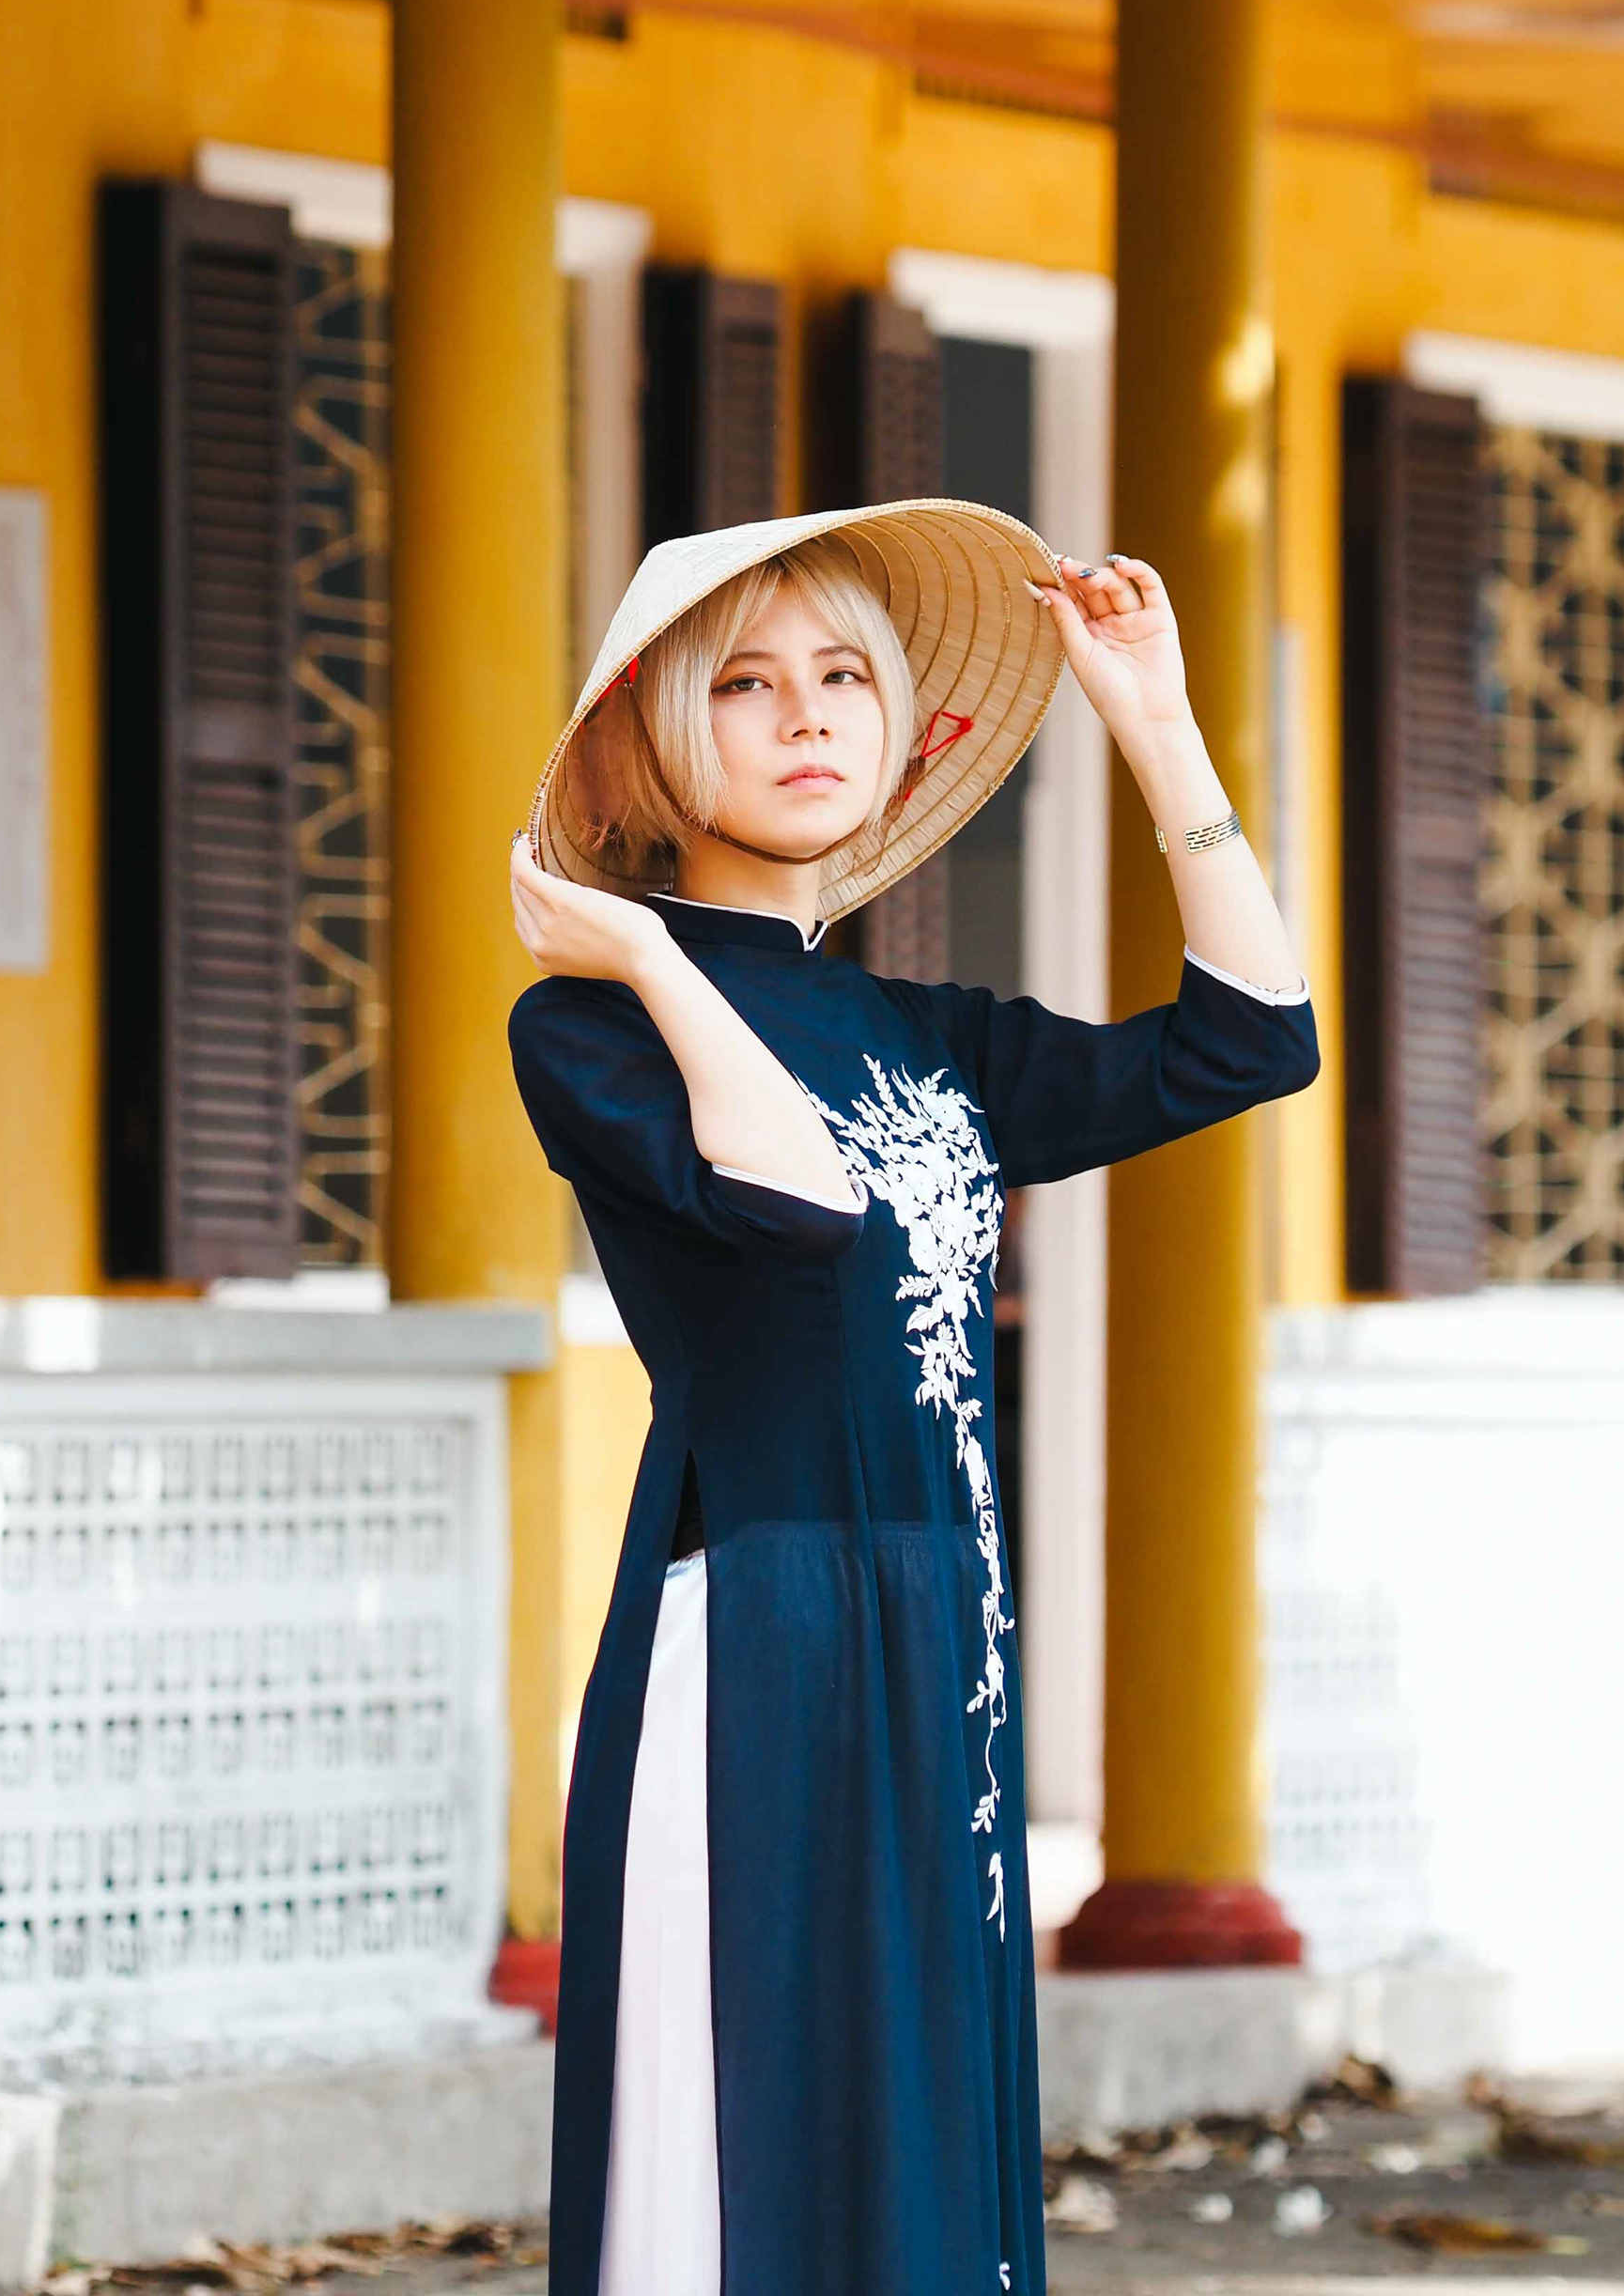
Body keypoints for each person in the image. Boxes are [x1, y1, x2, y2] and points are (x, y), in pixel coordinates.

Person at [505, 499, 1322, 2296]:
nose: (807, 717)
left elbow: (1258, 1034)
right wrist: (647, 951)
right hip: (764, 1622)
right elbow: (796, 1203)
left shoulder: (922, 1038)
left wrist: (1157, 724)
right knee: (763, 2135)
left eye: (847, 677)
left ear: (898, 730)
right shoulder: (583, 1027)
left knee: (922, 2117)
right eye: (749, 684)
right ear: (658, 732)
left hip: (938, 1617)